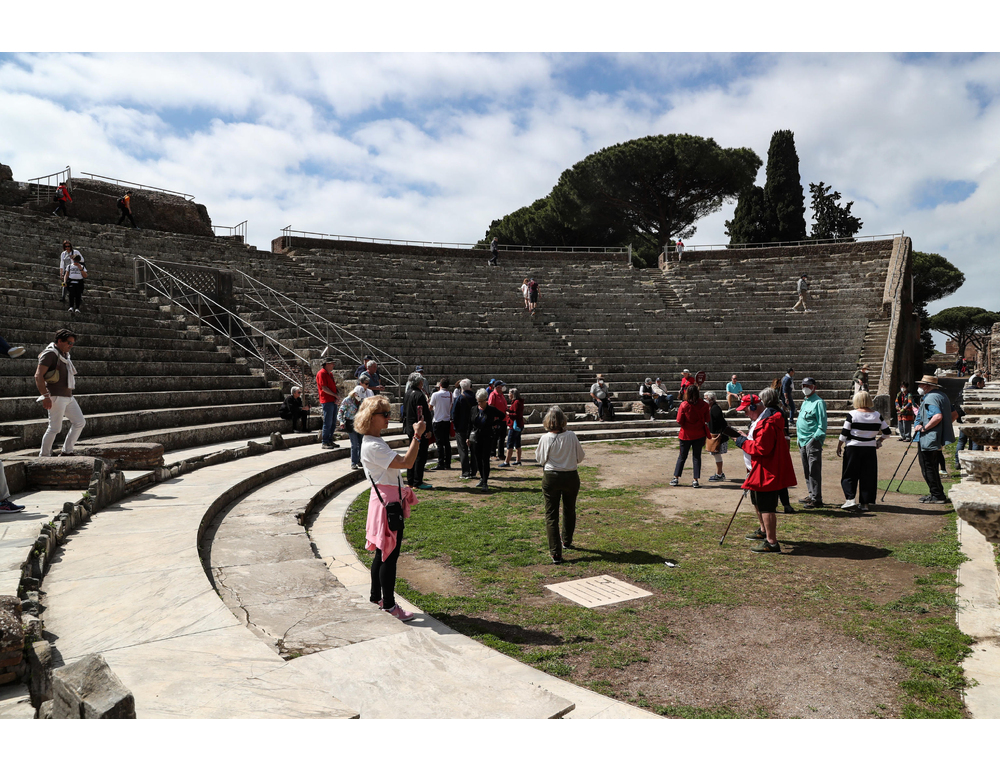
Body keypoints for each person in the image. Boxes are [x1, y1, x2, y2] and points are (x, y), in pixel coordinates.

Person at [358, 394, 425, 622]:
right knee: (389, 555)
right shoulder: (373, 445)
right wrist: (417, 435)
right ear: (370, 417)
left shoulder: (373, 442)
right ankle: (388, 604)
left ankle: (376, 596)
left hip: (384, 503)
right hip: (388, 505)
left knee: (382, 552)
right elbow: (407, 463)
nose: (388, 418)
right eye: (384, 414)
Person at [734, 389, 797, 554]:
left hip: (766, 470)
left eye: (746, 410)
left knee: (767, 507)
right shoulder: (762, 420)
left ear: (754, 407)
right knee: (758, 502)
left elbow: (762, 448)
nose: (745, 414)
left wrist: (742, 442)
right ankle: (764, 532)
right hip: (758, 468)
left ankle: (772, 542)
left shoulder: (767, 423)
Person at [535, 406, 586, 564]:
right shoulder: (571, 436)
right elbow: (580, 457)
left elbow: (540, 459)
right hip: (571, 475)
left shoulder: (545, 438)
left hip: (551, 476)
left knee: (551, 514)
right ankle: (566, 540)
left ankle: (555, 552)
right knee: (569, 509)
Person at [35, 329, 87, 457]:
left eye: (72, 343)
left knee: (80, 422)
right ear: (59, 341)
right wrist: (45, 396)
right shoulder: (50, 354)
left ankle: (67, 451)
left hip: (68, 395)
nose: (71, 345)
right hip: (55, 396)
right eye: (69, 342)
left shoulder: (65, 355)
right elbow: (38, 376)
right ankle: (44, 456)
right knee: (54, 428)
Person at [836, 391, 891, 513]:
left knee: (850, 473)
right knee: (868, 475)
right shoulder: (877, 415)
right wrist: (879, 441)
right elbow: (887, 432)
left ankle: (850, 499)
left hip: (853, 447)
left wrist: (839, 446)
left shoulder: (853, 414)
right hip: (869, 448)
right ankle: (865, 503)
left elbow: (844, 433)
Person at [912, 375, 956, 505]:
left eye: (921, 385)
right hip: (937, 437)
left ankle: (937, 495)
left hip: (929, 438)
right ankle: (937, 493)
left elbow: (937, 416)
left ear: (926, 386)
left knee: (928, 467)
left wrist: (925, 428)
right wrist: (942, 429)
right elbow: (954, 414)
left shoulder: (930, 398)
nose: (919, 387)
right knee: (933, 466)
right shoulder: (942, 396)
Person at [670, 383, 711, 488]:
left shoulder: (684, 405)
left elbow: (679, 420)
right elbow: (707, 419)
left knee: (682, 456)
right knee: (697, 457)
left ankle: (676, 478)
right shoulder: (705, 405)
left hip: (686, 434)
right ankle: (695, 480)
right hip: (699, 434)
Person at [796, 377, 828, 508]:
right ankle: (811, 494)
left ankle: (817, 498)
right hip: (802, 440)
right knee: (806, 470)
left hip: (812, 440)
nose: (805, 388)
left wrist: (815, 438)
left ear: (814, 387)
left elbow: (822, 424)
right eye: (803, 385)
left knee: (814, 470)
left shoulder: (819, 403)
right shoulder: (805, 402)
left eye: (808, 385)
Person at [402, 372, 433, 489]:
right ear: (420, 382)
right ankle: (417, 481)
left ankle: (410, 480)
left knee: (412, 453)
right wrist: (427, 429)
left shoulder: (408, 393)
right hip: (419, 429)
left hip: (410, 427)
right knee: (420, 455)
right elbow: (422, 414)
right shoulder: (419, 395)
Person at [470, 388, 505, 491]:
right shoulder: (473, 409)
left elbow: (502, 416)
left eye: (481, 401)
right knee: (478, 458)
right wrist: (468, 437)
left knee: (485, 459)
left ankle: (485, 481)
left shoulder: (491, 409)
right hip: (476, 437)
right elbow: (470, 424)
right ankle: (481, 477)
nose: (479, 403)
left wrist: (494, 424)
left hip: (487, 437)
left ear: (485, 400)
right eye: (478, 401)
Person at [705, 391, 740, 481]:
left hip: (717, 436)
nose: (704, 400)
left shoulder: (715, 409)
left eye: (706, 398)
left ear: (711, 399)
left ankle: (719, 474)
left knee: (717, 455)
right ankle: (719, 473)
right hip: (714, 435)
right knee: (716, 455)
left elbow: (722, 423)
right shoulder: (711, 408)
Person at [337, 380, 369, 469]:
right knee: (354, 444)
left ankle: (359, 460)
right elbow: (341, 411)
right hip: (350, 423)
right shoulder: (347, 400)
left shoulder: (362, 400)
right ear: (355, 394)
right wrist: (341, 421)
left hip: (360, 423)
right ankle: (353, 462)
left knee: (361, 443)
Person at [453, 379, 478, 480]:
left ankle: (465, 472)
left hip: (462, 428)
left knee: (463, 449)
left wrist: (456, 427)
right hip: (473, 427)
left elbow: (454, 414)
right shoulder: (475, 398)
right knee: (473, 450)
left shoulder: (460, 398)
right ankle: (473, 471)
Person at [428, 379, 454, 471]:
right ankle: (448, 463)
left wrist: (429, 402)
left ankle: (441, 463)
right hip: (446, 420)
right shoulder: (450, 394)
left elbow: (430, 408)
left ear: (440, 385)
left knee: (439, 443)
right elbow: (451, 406)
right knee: (447, 443)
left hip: (438, 420)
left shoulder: (435, 394)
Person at [315, 359, 340, 450]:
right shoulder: (321, 373)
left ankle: (329, 439)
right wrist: (335, 396)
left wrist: (336, 396)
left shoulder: (330, 374)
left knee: (333, 422)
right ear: (326, 364)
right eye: (332, 363)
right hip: (326, 400)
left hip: (332, 400)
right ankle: (325, 442)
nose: (333, 365)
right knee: (328, 422)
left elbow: (333, 387)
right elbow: (324, 388)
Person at [501, 387, 525, 466]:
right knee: (517, 443)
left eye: (509, 393)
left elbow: (516, 414)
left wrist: (508, 414)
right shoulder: (518, 402)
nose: (508, 395)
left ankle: (507, 461)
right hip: (519, 425)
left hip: (514, 425)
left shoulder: (516, 403)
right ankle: (518, 460)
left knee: (510, 443)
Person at [488, 380, 508, 460]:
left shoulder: (501, 395)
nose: (502, 388)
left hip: (503, 419)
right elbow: (491, 407)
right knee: (495, 437)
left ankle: (501, 454)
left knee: (502, 437)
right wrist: (493, 420)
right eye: (501, 386)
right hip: (496, 419)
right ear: (497, 387)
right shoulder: (493, 395)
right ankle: (492, 453)